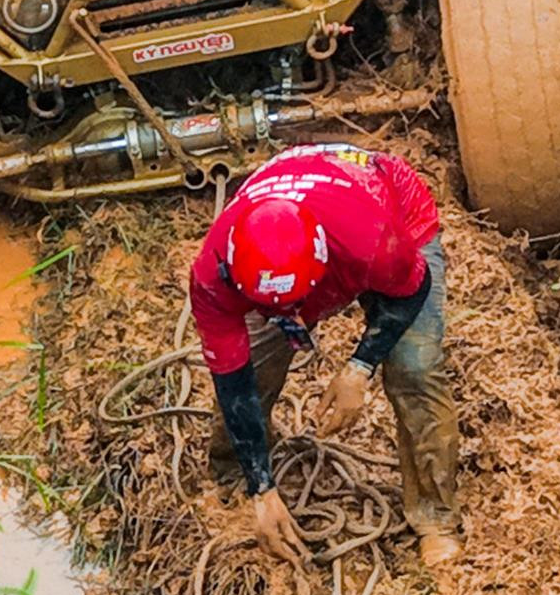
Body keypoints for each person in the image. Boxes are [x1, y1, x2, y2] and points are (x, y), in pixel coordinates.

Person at [188, 142, 463, 569]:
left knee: (415, 369)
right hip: (295, 211)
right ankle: (236, 476)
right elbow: (232, 376)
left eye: (296, 303)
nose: (290, 313)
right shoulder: (213, 274)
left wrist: (359, 369)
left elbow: (413, 289)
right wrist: (262, 489)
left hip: (388, 209)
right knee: (255, 366)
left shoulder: (372, 242)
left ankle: (435, 517)